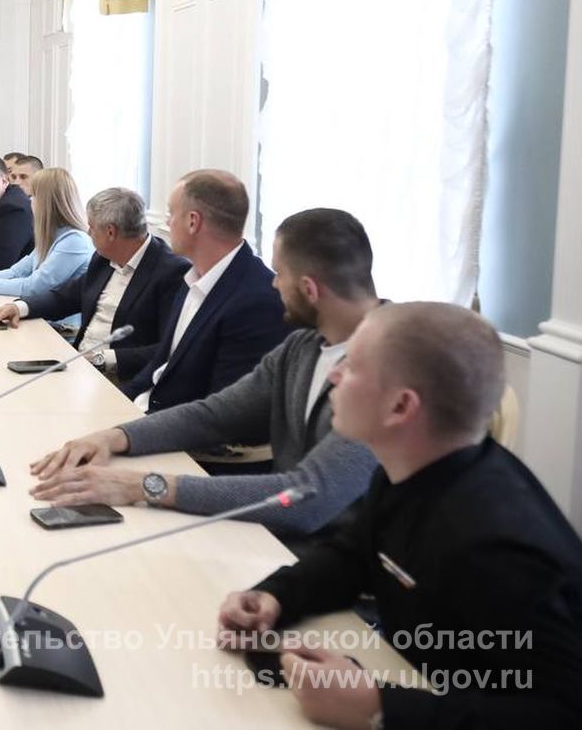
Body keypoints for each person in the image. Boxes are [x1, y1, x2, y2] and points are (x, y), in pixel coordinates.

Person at [218, 303, 582, 727]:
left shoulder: (498, 547)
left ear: (400, 407)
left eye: (351, 366)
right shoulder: (407, 470)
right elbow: (354, 556)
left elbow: (561, 713)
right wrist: (276, 596)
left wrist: (380, 708)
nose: (334, 375)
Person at [27, 208, 382, 539]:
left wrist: (145, 486)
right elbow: (215, 414)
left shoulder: (388, 366)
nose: (274, 285)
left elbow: (309, 498)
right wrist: (113, 437)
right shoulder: (302, 346)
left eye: (280, 274)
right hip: (281, 541)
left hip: (330, 558)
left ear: (309, 288)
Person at [122, 169, 289, 413]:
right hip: (147, 413)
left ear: (193, 222)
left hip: (177, 428)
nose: (167, 223)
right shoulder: (191, 276)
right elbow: (160, 365)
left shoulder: (258, 301)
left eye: (171, 214)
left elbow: (222, 413)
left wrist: (129, 429)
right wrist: (114, 405)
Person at [0, 187, 189, 380]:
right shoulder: (104, 258)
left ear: (110, 232)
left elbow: (169, 348)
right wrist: (20, 307)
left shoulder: (171, 272)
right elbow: (65, 297)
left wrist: (103, 359)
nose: (88, 233)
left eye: (92, 227)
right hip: (79, 366)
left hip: (121, 378)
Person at [0, 168, 91, 308]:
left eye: (34, 196)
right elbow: (16, 272)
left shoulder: (74, 241)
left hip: (56, 322)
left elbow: (34, 287)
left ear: (48, 202)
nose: (30, 201)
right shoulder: (53, 236)